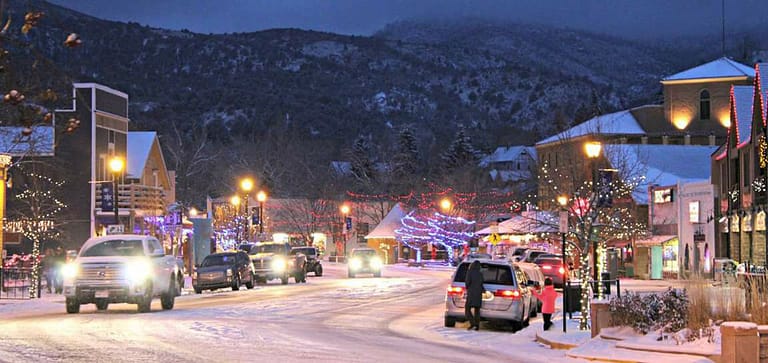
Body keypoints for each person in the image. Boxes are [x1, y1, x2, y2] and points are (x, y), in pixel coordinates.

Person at [464, 260, 484, 331]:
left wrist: (468, 287)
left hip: (471, 294)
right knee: (477, 310)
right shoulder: (480, 274)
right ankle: (477, 325)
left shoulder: (470, 273)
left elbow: (467, 283)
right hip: (478, 294)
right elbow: (482, 283)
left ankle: (472, 323)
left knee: (467, 309)